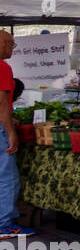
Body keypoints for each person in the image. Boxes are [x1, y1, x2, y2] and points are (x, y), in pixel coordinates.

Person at [0, 31, 35, 238]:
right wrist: (10, 131)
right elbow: (2, 102)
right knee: (7, 177)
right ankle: (4, 224)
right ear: (4, 43)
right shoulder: (3, 67)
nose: (12, 49)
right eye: (12, 45)